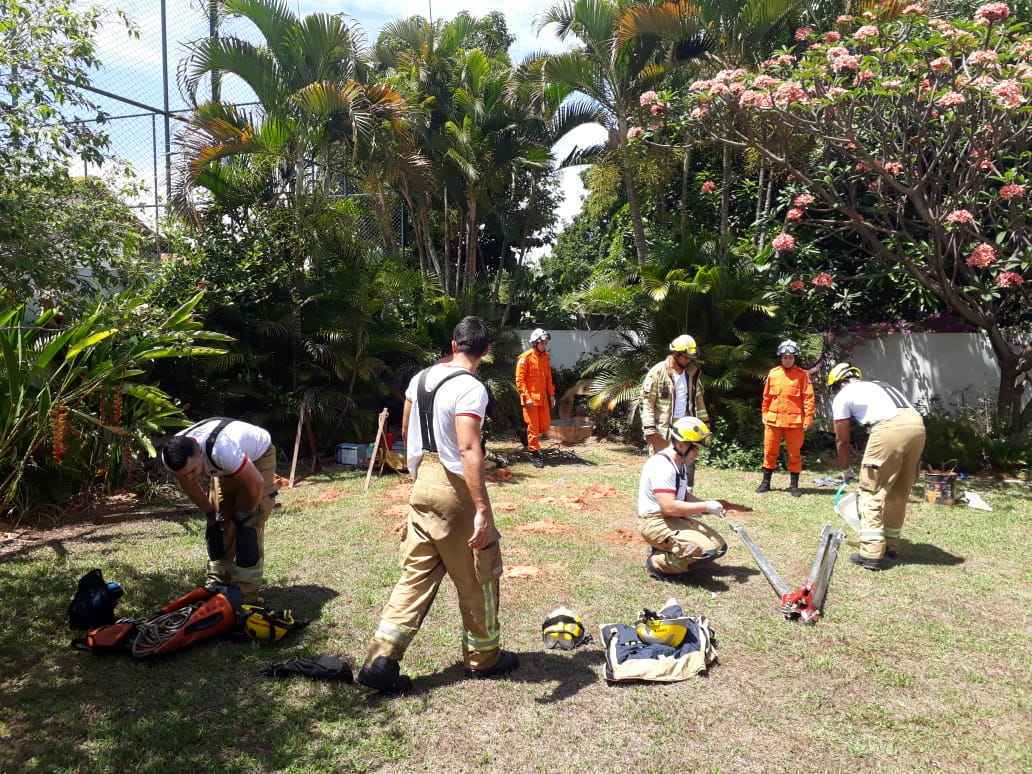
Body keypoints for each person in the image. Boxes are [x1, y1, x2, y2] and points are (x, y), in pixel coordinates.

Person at [358, 317, 518, 693]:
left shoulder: (421, 378)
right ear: (486, 351)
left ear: (453, 343)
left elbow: (407, 422)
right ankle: (484, 658)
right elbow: (467, 447)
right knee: (480, 574)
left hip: (422, 485)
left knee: (415, 576)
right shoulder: (471, 388)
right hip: (453, 489)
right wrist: (481, 508)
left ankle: (381, 660)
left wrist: (416, 474)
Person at [160, 418, 277, 602]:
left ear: (199, 453)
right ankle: (219, 580)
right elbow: (190, 486)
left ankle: (246, 591)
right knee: (220, 521)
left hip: (258, 457)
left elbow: (256, 483)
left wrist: (245, 512)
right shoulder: (172, 457)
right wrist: (209, 513)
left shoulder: (222, 451)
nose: (189, 476)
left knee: (248, 523)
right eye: (185, 474)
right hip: (226, 464)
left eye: (193, 470)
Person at [827, 362, 926, 570]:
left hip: (888, 426)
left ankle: (871, 553)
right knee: (899, 491)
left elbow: (842, 440)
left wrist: (845, 470)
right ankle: (890, 546)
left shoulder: (843, 395)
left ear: (837, 384)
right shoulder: (879, 385)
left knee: (870, 491)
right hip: (917, 425)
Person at [638, 417, 728, 580]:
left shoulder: (679, 464)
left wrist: (710, 506)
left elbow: (684, 496)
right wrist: (706, 506)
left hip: (673, 518)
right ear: (681, 444)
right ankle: (657, 562)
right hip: (655, 521)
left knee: (719, 547)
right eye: (695, 448)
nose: (698, 453)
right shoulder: (663, 466)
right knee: (703, 550)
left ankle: (670, 551)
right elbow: (669, 507)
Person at [641, 334, 709, 489]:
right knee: (662, 464)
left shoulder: (692, 373)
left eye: (690, 358)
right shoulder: (657, 372)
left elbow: (699, 400)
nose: (689, 361)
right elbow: (647, 403)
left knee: (688, 461)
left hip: (686, 427)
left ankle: (685, 495)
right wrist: (649, 429)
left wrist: (704, 424)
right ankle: (661, 498)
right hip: (663, 429)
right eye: (686, 357)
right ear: (675, 354)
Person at [757, 340, 816, 497]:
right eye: (784, 357)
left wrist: (808, 418)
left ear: (794, 357)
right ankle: (765, 483)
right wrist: (764, 413)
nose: (787, 360)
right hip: (773, 420)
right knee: (769, 451)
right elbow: (766, 397)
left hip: (794, 422)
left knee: (794, 454)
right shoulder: (773, 374)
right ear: (780, 357)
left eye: (790, 357)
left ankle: (794, 486)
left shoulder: (802, 375)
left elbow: (808, 398)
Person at [515, 328, 556, 469]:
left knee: (544, 426)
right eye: (543, 343)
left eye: (546, 343)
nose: (545, 345)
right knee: (533, 427)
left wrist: (551, 395)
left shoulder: (546, 357)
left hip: (543, 398)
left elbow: (549, 378)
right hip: (530, 399)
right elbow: (520, 381)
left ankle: (523, 434)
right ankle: (535, 453)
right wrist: (526, 398)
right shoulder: (525, 358)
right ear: (535, 342)